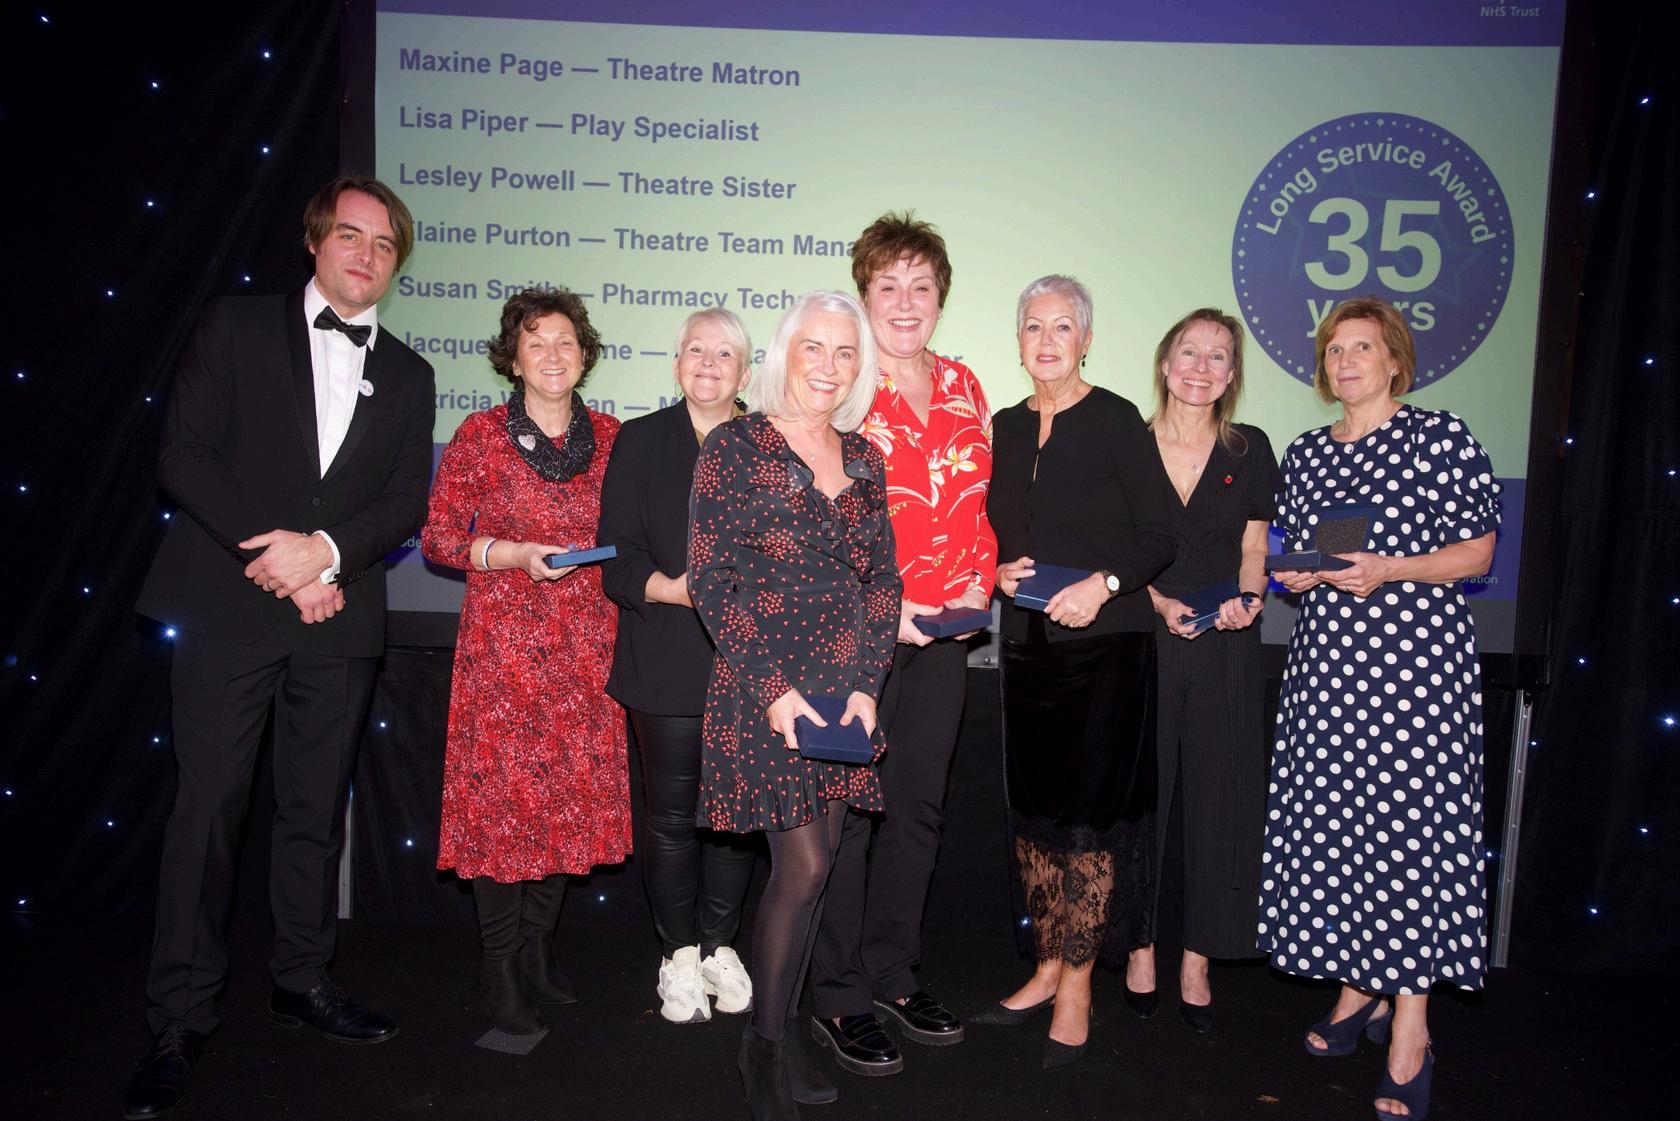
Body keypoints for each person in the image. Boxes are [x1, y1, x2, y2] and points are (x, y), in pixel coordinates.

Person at [128, 177, 436, 1118]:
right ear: (315, 240)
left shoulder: (413, 374)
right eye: (350, 234)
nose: (365, 255)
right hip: (229, 607)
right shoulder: (235, 326)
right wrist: (283, 559)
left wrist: (328, 554)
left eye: (383, 245)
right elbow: (184, 456)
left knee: (314, 812)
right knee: (208, 813)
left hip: (340, 616)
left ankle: (301, 978)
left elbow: (403, 501)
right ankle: (179, 1018)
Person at [1259, 296, 1499, 1120]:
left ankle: (1411, 1025)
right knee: (1338, 829)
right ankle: (1359, 986)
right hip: (1328, 676)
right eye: (1335, 349)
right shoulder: (1308, 453)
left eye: (1362, 347)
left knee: (1407, 837)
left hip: (1413, 678)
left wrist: (1392, 568)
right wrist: (1298, 574)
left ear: (1395, 359)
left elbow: (1477, 551)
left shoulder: (1438, 437)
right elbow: (1308, 558)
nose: (1346, 360)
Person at [688, 291, 899, 1119]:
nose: (829, 365)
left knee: (822, 870)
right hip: (766, 687)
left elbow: (884, 583)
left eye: (846, 352)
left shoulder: (866, 457)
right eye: (815, 346)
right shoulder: (736, 446)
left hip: (844, 693)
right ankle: (764, 1048)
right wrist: (775, 690)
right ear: (785, 353)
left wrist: (867, 684)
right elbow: (712, 579)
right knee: (803, 866)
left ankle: (784, 1030)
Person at [808, 213, 993, 1075]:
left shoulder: (964, 384)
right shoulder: (840, 387)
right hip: (857, 636)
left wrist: (979, 579)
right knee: (845, 817)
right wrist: (888, 608)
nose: (906, 301)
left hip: (945, 635)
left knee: (917, 809)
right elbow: (811, 525)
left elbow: (976, 508)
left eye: (922, 286)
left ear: (941, 298)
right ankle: (837, 989)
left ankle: (892, 971)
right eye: (889, 285)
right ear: (864, 294)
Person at [420, 287, 631, 1034]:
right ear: (512, 358)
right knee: (502, 814)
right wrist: (510, 553)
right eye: (535, 341)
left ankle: (539, 946)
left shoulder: (614, 438)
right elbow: (438, 538)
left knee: (569, 806)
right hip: (504, 656)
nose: (552, 353)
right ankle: (500, 963)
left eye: (565, 340)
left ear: (585, 354)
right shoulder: (480, 434)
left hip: (586, 652)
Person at [978, 275, 1176, 1069]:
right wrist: (993, 569)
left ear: (1086, 340)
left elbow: (1159, 534)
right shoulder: (1002, 425)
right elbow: (987, 531)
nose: (1048, 340)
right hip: (1027, 649)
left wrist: (1105, 583)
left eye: (1063, 326)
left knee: (1090, 822)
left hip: (1108, 650)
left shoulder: (1117, 418)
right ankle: (1045, 964)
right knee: (1036, 817)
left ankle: (1079, 983)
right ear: (1018, 340)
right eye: (1034, 326)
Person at [598, 309, 759, 1025]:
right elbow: (616, 556)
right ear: (675, 364)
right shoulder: (640, 441)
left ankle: (721, 944)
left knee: (736, 817)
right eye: (696, 350)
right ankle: (679, 954)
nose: (708, 363)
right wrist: (675, 588)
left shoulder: (771, 443)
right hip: (664, 655)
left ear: (745, 372)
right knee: (669, 817)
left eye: (724, 353)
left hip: (751, 665)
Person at [1126, 309, 1280, 1034]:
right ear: (1165, 363)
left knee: (1222, 799)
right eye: (1189, 352)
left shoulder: (1251, 449)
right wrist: (1156, 601)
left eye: (1218, 356)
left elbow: (1254, 547)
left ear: (1231, 374)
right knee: (1143, 796)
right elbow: (1113, 548)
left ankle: (1198, 956)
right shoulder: (1127, 444)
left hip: (1225, 641)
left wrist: (1248, 600)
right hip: (1145, 635)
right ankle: (1141, 947)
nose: (1201, 367)